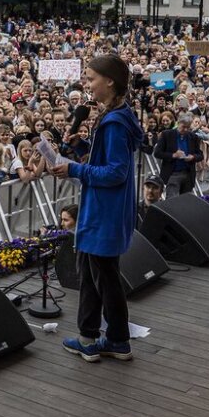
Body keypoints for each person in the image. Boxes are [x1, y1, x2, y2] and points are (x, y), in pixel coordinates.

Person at [50, 54, 142, 363]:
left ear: (110, 81)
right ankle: (95, 336)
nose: (87, 85)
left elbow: (116, 173)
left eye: (91, 79)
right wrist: (80, 149)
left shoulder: (114, 123)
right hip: (105, 210)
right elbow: (105, 162)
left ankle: (109, 339)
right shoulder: (116, 115)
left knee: (102, 277)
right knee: (95, 275)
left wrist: (75, 170)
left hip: (104, 211)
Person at [152, 113, 203, 197]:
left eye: (188, 127)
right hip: (173, 174)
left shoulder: (193, 137)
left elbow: (200, 155)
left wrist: (193, 157)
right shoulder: (167, 135)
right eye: (183, 127)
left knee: (185, 202)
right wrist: (173, 155)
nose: (186, 129)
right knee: (173, 202)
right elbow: (157, 153)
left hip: (188, 174)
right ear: (178, 123)